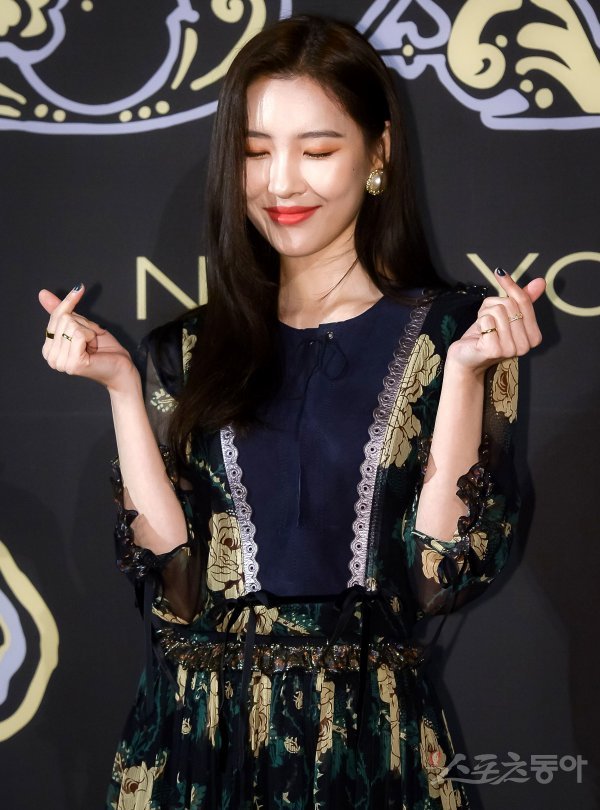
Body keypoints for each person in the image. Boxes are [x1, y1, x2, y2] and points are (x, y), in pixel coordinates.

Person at [39, 14, 544, 810]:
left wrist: (467, 373)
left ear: (379, 152)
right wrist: (122, 390)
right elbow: (177, 588)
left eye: (316, 150)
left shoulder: (458, 333)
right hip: (195, 745)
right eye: (254, 151)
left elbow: (438, 577)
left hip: (367, 749)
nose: (280, 184)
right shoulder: (186, 350)